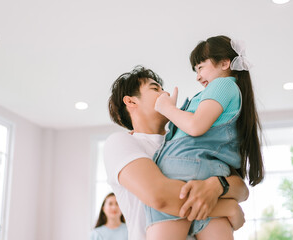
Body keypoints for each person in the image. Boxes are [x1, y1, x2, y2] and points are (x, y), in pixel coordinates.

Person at [104, 66, 249, 240]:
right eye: (155, 88)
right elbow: (160, 196)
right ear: (131, 102)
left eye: (163, 89)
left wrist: (216, 185)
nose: (165, 94)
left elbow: (241, 189)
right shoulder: (121, 143)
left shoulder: (183, 139)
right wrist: (228, 207)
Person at [145, 35, 265, 239]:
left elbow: (195, 126)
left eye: (200, 67)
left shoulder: (223, 85)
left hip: (181, 172)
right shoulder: (230, 92)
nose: (198, 76)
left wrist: (167, 108)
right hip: (209, 176)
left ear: (225, 63)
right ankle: (225, 207)